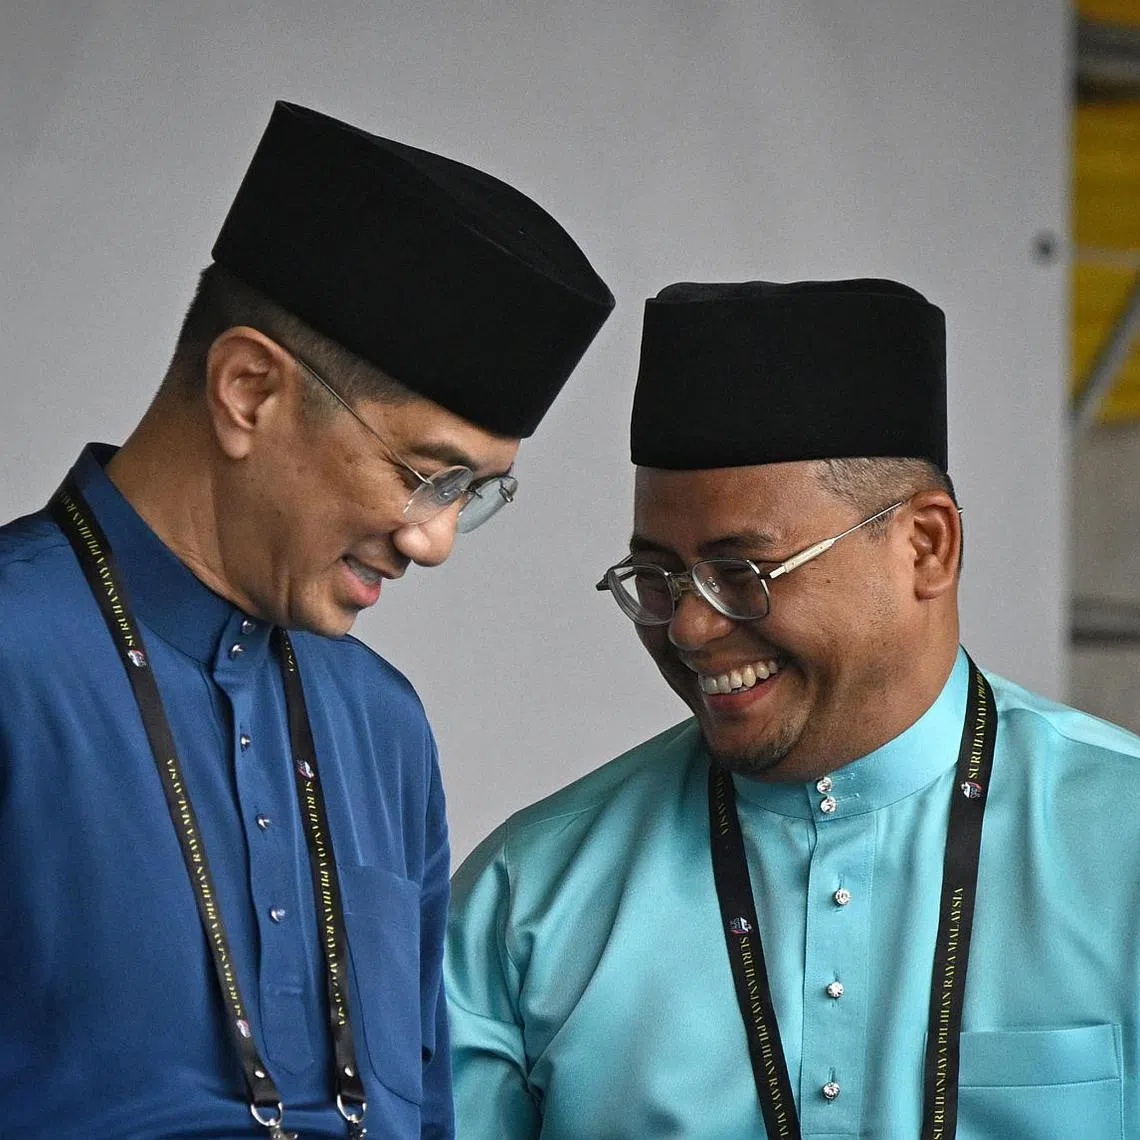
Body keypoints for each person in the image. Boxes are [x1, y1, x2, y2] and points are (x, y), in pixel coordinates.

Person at [0, 101, 613, 1140]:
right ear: (248, 391)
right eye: (426, 477)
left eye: (476, 494)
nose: (436, 541)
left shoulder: (383, 725)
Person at [446, 279, 1140, 1139]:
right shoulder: (531, 902)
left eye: (742, 575)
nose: (693, 628)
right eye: (659, 580)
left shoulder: (1124, 844)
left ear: (927, 546)